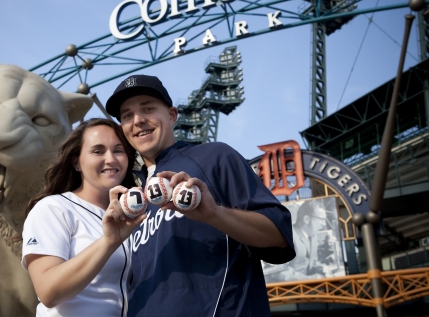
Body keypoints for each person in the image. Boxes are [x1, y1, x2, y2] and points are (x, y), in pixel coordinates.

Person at [105, 74, 296, 316]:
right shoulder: (132, 198)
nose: (138, 120)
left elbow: (279, 236)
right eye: (127, 115)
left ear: (172, 115)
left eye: (148, 108)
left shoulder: (214, 157)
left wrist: (214, 214)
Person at [21, 118, 146, 316]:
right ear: (76, 162)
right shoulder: (53, 208)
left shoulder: (133, 216)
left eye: (118, 150)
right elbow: (48, 292)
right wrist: (108, 242)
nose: (111, 159)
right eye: (98, 151)